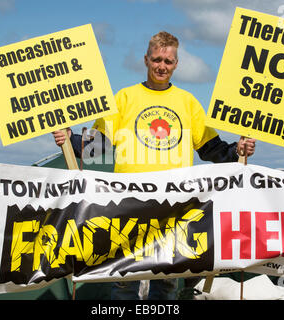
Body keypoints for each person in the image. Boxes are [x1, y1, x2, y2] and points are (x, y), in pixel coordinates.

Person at [53, 31, 256, 299]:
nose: (162, 66)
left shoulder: (188, 103)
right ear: (146, 59)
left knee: (167, 279)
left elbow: (212, 151)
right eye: (157, 59)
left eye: (168, 61)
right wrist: (69, 138)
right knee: (125, 277)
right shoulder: (124, 98)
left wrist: (237, 150)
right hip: (127, 204)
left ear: (176, 64)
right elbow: (96, 150)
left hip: (175, 206)